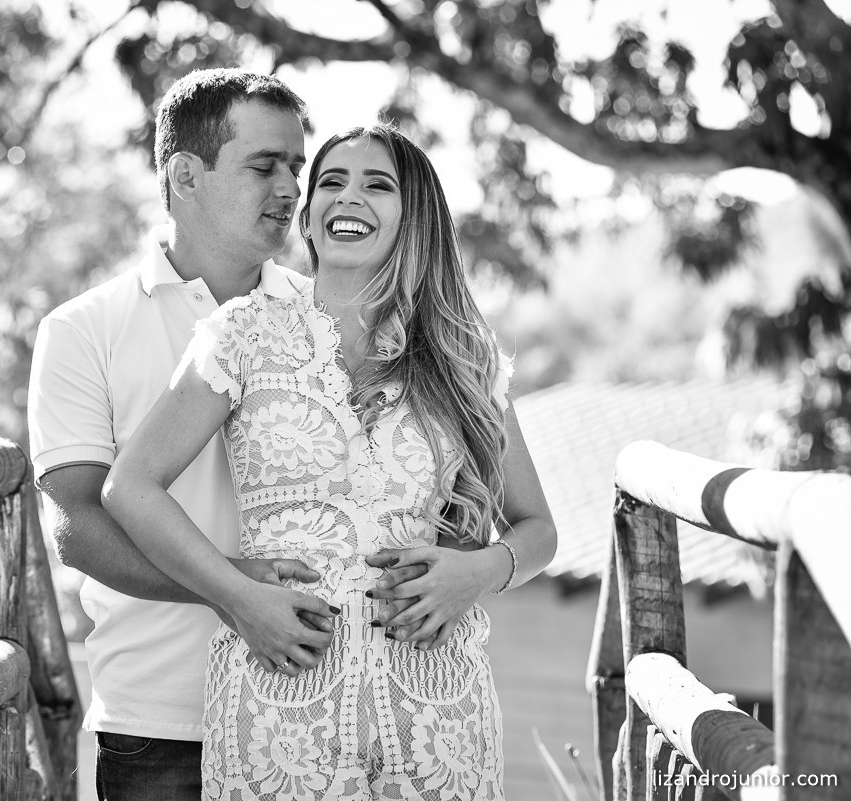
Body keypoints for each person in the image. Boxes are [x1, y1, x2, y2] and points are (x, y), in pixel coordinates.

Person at [102, 124, 557, 800]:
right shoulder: (242, 335)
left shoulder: (464, 356)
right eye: (332, 183)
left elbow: (537, 528)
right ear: (310, 215)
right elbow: (130, 487)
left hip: (437, 709)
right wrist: (235, 596)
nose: (350, 197)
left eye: (378, 185)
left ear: (415, 217)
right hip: (281, 709)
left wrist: (480, 570)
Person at [29, 69, 372, 800]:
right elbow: (78, 528)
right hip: (163, 724)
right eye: (263, 165)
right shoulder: (83, 329)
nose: (290, 188)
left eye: (295, 167)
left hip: (316, 708)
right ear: (185, 174)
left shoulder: (333, 320)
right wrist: (233, 590)